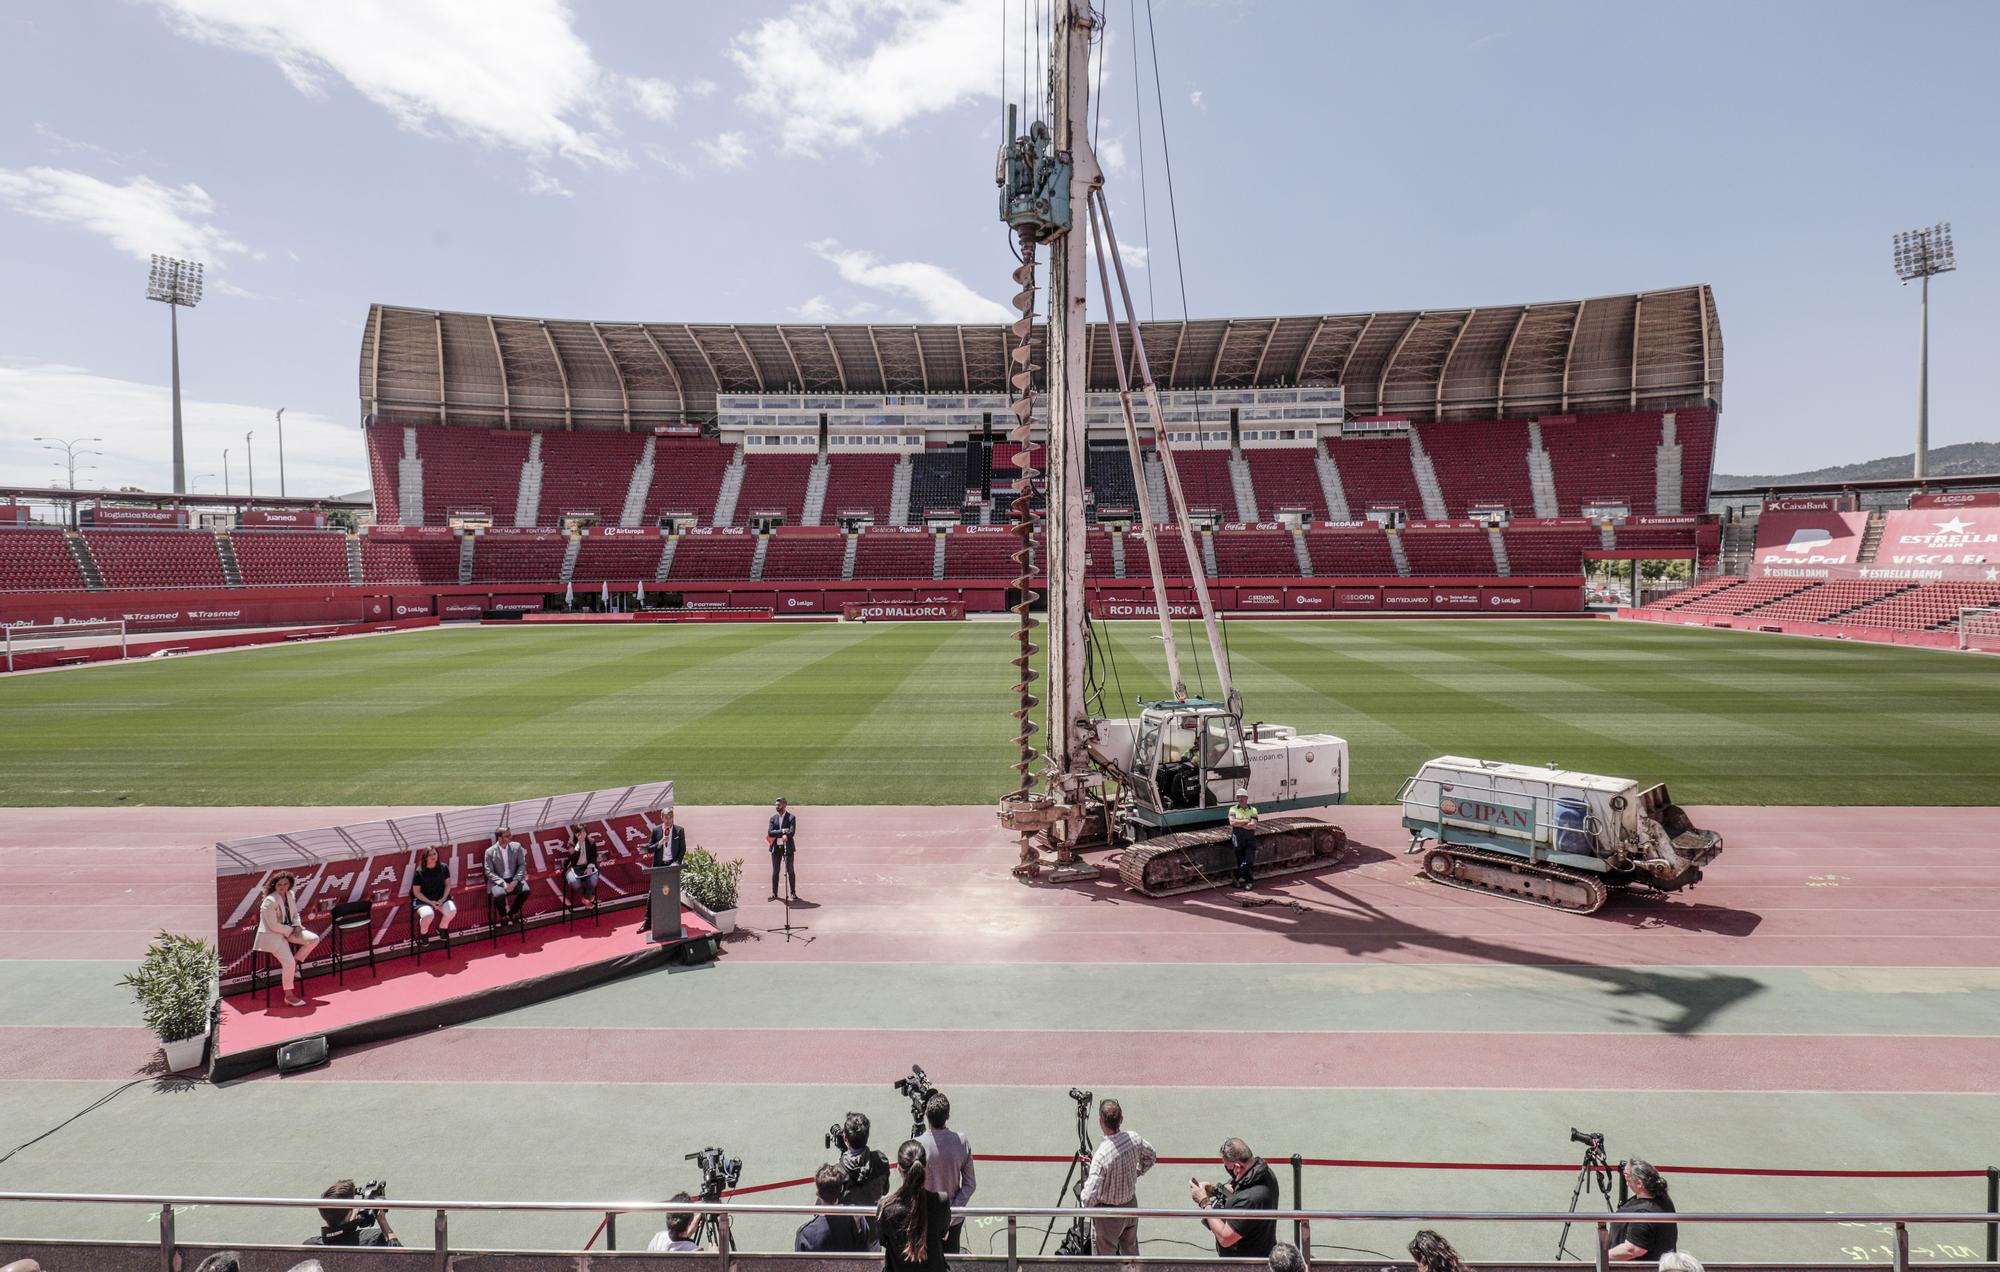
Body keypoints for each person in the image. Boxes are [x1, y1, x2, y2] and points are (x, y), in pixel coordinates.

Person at [1079, 1097, 1157, 1256]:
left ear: (1101, 1121)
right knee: (1131, 1255)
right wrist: (1136, 1172)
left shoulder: (1101, 1156)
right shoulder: (1134, 1138)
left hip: (1108, 1216)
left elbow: (1087, 1200)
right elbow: (1151, 1156)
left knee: (1104, 1263)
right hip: (1130, 1207)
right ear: (1121, 1118)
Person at [1191, 1138, 1278, 1259]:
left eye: (1227, 1167)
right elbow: (1238, 1187)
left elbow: (1225, 1238)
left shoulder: (1250, 1199)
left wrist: (1204, 1202)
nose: (1228, 1171)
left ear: (1237, 1167)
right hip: (1262, 1249)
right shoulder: (1262, 1172)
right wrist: (1214, 1190)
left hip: (1245, 1264)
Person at [877, 1140, 950, 1272]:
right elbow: (943, 1234)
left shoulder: (886, 1207)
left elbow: (883, 1240)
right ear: (925, 1166)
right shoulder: (941, 1201)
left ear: (898, 1168)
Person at [915, 1094, 975, 1253]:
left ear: (926, 1114)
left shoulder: (917, 1144)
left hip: (926, 1220)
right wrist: (952, 1214)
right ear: (947, 1116)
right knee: (951, 1262)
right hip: (953, 1221)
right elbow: (970, 1185)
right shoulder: (962, 1141)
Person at [254, 872, 321, 1008]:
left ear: (290, 884)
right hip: (273, 935)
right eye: (279, 884)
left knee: (314, 939)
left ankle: (296, 963)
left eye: (285, 884)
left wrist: (296, 925)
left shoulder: (290, 895)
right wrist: (291, 930)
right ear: (274, 885)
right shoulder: (269, 901)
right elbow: (273, 925)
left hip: (289, 930)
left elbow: (295, 914)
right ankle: (289, 996)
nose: (283, 887)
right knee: (288, 963)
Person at [796, 1163, 878, 1253]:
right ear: (841, 1188)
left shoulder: (806, 1233)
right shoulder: (858, 1219)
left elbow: (800, 1265)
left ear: (818, 1193)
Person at [1607, 1160, 1677, 1262]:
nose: (1626, 1183)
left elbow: (1632, 1249)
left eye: (1628, 1178)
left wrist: (1603, 1256)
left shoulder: (1644, 1214)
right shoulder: (1662, 1198)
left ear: (1639, 1184)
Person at [306, 1180, 399, 1246]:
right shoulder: (374, 1239)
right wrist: (382, 1220)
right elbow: (403, 1262)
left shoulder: (309, 1246)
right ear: (349, 1214)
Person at [839, 1111, 892, 1206]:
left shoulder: (838, 1173)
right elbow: (885, 1190)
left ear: (845, 1139)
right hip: (872, 1213)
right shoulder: (880, 1159)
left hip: (851, 1218)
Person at [484, 829, 529, 919]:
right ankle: (503, 915)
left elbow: (522, 865)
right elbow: (489, 872)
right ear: (499, 838)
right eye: (507, 836)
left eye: (510, 834)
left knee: (526, 890)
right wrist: (504, 884)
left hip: (514, 879)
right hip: (498, 881)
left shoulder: (516, 846)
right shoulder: (489, 852)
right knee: (499, 895)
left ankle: (513, 912)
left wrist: (515, 880)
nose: (510, 837)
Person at [410, 847, 455, 938]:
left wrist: (442, 899)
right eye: (430, 855)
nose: (433, 856)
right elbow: (417, 893)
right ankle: (423, 934)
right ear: (425, 857)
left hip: (440, 898)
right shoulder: (419, 872)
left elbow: (447, 885)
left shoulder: (444, 867)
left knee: (452, 911)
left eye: (434, 854)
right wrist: (430, 902)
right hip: (423, 901)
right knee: (428, 915)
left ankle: (442, 928)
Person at [767, 797, 799, 901]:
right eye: (776, 805)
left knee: (790, 870)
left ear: (785, 805)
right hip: (776, 848)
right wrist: (783, 831)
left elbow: (792, 832)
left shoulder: (791, 818)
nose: (777, 807)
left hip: (787, 848)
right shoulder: (773, 818)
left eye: (779, 805)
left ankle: (793, 893)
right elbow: (770, 833)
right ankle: (774, 893)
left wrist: (781, 832)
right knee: (775, 871)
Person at [1228, 790, 1260, 888]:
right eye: (1238, 797)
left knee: (1249, 861)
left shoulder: (1253, 810)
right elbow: (1232, 823)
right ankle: (1249, 882)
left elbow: (1253, 825)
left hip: (1249, 838)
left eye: (1242, 797)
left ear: (1247, 798)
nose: (1240, 799)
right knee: (1240, 861)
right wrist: (1246, 821)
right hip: (1237, 838)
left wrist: (1240, 824)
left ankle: (1236, 875)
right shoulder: (1233, 809)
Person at [564, 823, 600, 906]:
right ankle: (588, 894)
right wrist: (579, 843)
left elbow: (593, 856)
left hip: (587, 866)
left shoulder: (591, 842)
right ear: (575, 834)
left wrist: (590, 866)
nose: (580, 835)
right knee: (576, 884)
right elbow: (573, 856)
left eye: (582, 832)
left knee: (593, 881)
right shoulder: (571, 843)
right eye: (578, 833)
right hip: (574, 868)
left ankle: (586, 899)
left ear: (586, 832)